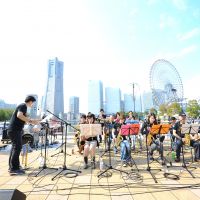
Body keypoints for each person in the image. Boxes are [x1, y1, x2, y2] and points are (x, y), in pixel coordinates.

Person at [7, 96, 39, 175]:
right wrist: (30, 120)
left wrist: (32, 121)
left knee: (15, 148)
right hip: (14, 130)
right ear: (30, 101)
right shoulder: (23, 106)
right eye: (33, 103)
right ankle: (14, 168)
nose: (32, 104)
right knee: (17, 147)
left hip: (14, 130)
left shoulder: (22, 107)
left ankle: (13, 166)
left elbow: (22, 119)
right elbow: (19, 115)